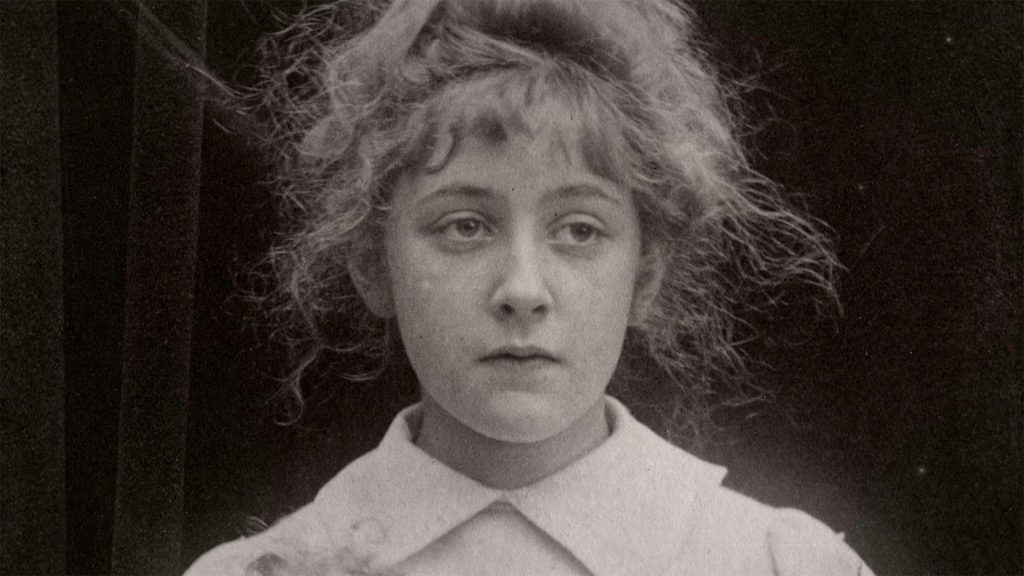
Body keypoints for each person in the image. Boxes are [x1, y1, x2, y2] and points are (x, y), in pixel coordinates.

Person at [185, 0, 875, 574]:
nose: (522, 289)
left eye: (579, 230)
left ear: (646, 273)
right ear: (372, 264)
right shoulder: (266, 571)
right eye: (464, 227)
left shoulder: (775, 564)